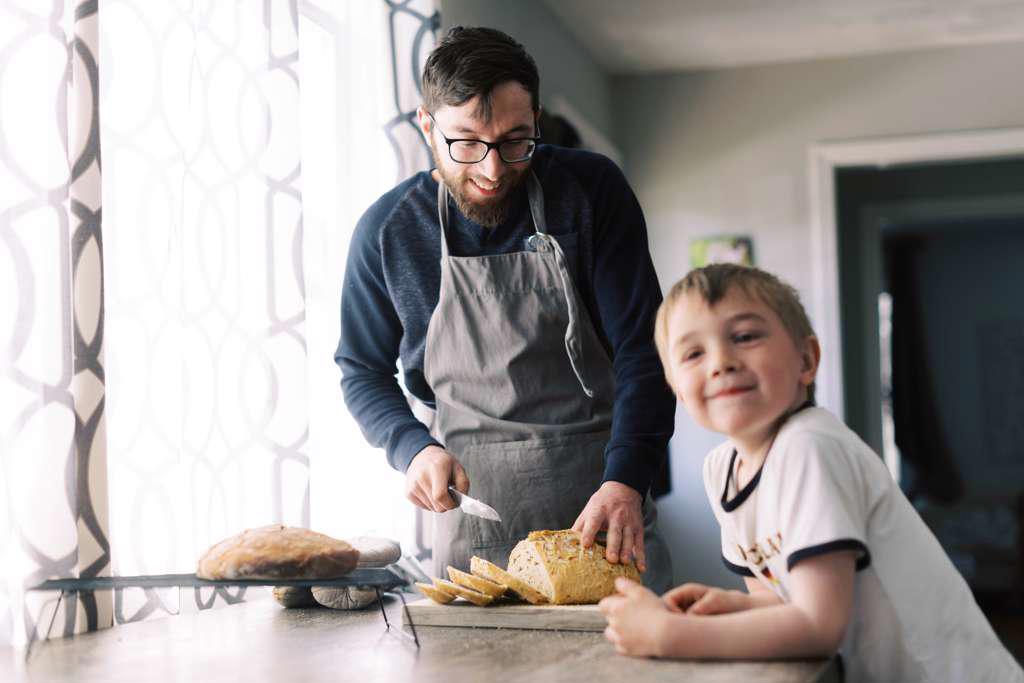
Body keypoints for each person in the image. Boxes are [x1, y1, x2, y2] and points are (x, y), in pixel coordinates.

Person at [335, 26, 674, 593]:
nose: (493, 170)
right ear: (427, 125)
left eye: (517, 140)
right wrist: (410, 447)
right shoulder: (388, 232)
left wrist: (627, 480)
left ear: (537, 120)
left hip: (608, 507)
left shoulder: (591, 191)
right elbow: (361, 371)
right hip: (476, 527)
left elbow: (645, 348)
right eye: (466, 142)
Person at [598, 263, 1023, 682]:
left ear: (806, 359)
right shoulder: (720, 470)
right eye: (693, 353)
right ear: (676, 390)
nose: (721, 362)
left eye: (744, 337)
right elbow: (783, 605)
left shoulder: (809, 446)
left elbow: (818, 627)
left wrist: (671, 634)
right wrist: (728, 605)